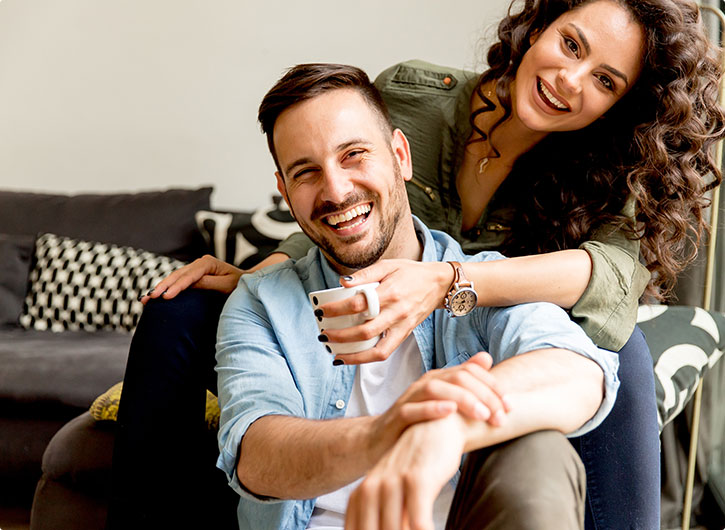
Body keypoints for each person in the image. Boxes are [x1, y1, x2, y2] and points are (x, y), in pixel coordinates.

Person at [108, 0, 724, 528]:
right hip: (369, 302)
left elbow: (609, 291)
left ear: (618, 104)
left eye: (605, 81)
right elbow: (348, 198)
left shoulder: (609, 175)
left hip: (482, 328)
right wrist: (265, 283)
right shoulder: (416, 98)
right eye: (571, 44)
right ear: (540, 25)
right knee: (183, 307)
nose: (569, 79)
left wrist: (449, 287)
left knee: (623, 355)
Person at [216, 60, 619, 530]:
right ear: (285, 194)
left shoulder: (481, 283)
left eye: (354, 155)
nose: (336, 190)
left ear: (401, 156)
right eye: (306, 172)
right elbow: (255, 455)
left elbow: (579, 373)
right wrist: (386, 432)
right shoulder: (260, 303)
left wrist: (442, 428)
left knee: (539, 452)